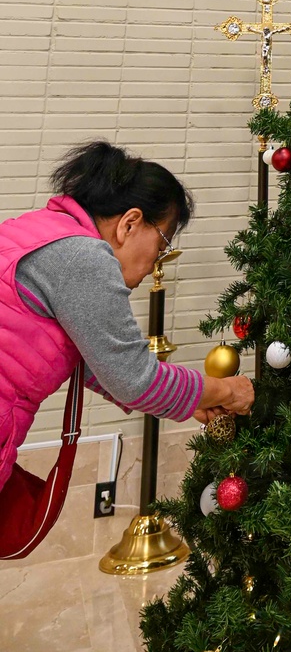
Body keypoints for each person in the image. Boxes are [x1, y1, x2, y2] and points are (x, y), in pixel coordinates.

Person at [0, 140, 254, 550]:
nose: (155, 264)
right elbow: (133, 378)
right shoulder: (83, 256)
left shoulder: (35, 231)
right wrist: (227, 391)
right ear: (130, 223)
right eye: (162, 245)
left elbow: (96, 361)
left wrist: (192, 400)